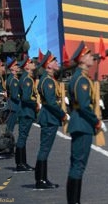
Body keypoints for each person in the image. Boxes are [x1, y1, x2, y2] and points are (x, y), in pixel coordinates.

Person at [67, 42, 106, 204]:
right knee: (78, 165)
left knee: (77, 164)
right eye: (89, 55)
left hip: (80, 124)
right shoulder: (81, 80)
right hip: (83, 125)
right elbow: (83, 106)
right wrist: (96, 122)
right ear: (82, 59)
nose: (92, 57)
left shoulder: (81, 77)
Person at [35, 51, 69, 189]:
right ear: (48, 65)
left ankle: (41, 178)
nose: (57, 63)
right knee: (44, 149)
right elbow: (50, 102)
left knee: (45, 149)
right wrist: (63, 114)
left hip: (48, 117)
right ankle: (41, 180)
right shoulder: (48, 81)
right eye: (54, 61)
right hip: (49, 118)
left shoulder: (47, 79)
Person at [15, 57, 38, 172]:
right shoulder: (27, 80)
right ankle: (20, 163)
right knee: (22, 137)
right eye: (32, 63)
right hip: (26, 111)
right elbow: (26, 97)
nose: (34, 64)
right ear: (27, 66)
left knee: (22, 136)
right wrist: (36, 103)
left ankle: (21, 162)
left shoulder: (25, 78)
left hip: (25, 111)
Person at [6, 57, 21, 137]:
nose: (18, 67)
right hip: (14, 105)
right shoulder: (13, 80)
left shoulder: (12, 78)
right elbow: (15, 96)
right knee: (10, 126)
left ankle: (7, 140)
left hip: (12, 105)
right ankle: (7, 141)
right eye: (16, 65)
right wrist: (22, 99)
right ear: (12, 67)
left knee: (10, 125)